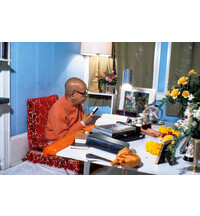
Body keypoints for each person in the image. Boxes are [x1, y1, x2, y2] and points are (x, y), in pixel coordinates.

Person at [45, 77, 94, 142]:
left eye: (86, 91)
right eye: (83, 93)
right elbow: (62, 138)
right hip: (57, 142)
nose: (86, 95)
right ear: (72, 95)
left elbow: (82, 124)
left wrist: (87, 124)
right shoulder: (58, 110)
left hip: (74, 135)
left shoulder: (77, 102)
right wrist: (83, 123)